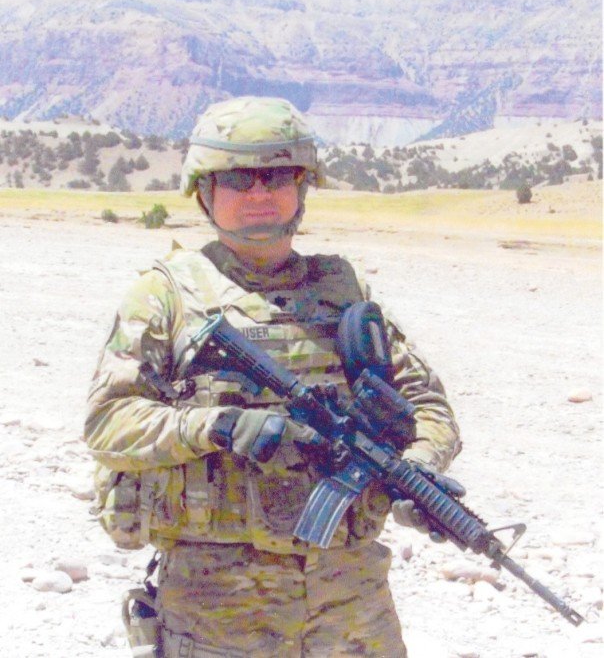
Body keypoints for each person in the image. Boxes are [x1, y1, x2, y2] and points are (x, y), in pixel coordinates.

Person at [85, 96, 461, 657]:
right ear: (206, 190)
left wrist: (416, 473)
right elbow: (108, 422)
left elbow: (426, 404)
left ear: (303, 186)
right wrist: (216, 425)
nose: (259, 194)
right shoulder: (166, 295)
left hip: (350, 597)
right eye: (238, 178)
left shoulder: (343, 294)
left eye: (277, 175)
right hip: (218, 601)